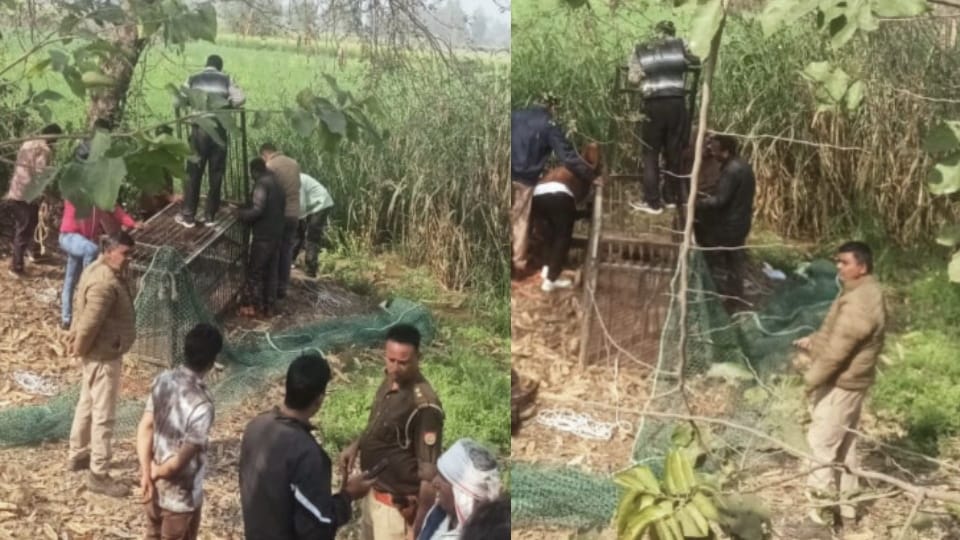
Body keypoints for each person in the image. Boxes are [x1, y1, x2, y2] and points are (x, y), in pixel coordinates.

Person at [792, 242, 885, 529]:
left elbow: (838, 352)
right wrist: (814, 342)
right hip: (850, 382)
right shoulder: (860, 292)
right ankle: (847, 513)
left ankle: (818, 518)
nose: (839, 267)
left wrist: (809, 381)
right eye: (838, 262)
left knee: (821, 446)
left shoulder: (860, 302)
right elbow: (837, 335)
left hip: (842, 385)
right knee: (845, 448)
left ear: (862, 267)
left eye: (844, 262)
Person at [239, 352, 377, 540]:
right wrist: (348, 495)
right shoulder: (307, 455)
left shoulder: (256, 427)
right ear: (319, 399)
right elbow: (317, 527)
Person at [338, 324, 444, 540]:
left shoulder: (425, 407)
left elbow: (428, 478)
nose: (394, 368)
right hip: (372, 496)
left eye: (403, 363)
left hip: (395, 511)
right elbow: (380, 423)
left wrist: (419, 529)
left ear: (418, 358)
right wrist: (357, 444)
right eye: (390, 359)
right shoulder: (390, 380)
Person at [66, 231, 137, 497]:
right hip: (103, 356)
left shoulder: (96, 268)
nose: (129, 259)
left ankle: (78, 453)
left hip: (98, 353)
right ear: (109, 251)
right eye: (125, 254)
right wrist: (80, 347)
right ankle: (99, 473)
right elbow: (89, 323)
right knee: (104, 415)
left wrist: (80, 347)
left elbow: (79, 311)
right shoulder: (105, 282)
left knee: (86, 403)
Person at [136, 323, 222, 540]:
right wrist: (156, 472)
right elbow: (180, 461)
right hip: (180, 499)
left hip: (153, 490)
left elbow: (145, 426)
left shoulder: (163, 380)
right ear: (212, 361)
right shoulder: (202, 406)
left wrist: (146, 472)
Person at [510, 95, 596, 276]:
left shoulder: (514, 115)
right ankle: (518, 266)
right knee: (520, 222)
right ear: (552, 107)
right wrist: (591, 175)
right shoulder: (549, 124)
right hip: (524, 179)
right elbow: (568, 157)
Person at [627, 20, 700, 215]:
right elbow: (694, 61)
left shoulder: (641, 48)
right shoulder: (680, 44)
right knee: (673, 152)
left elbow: (633, 79)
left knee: (650, 154)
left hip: (654, 104)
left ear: (655, 32)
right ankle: (669, 197)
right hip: (677, 103)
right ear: (672, 32)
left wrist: (648, 76)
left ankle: (652, 202)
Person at [175, 54, 246, 228]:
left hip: (200, 130)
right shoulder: (226, 79)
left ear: (206, 65)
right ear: (219, 67)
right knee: (216, 174)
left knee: (193, 173)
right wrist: (226, 105)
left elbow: (178, 99)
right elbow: (240, 98)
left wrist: (191, 104)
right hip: (219, 131)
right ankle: (210, 216)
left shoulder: (193, 78)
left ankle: (188, 215)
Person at [693, 134, 755, 310]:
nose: (713, 152)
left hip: (731, 224)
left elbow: (720, 200)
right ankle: (735, 298)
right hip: (741, 220)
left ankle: (725, 299)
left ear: (726, 152)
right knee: (734, 260)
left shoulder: (731, 170)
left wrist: (696, 204)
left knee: (720, 257)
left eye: (716, 149)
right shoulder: (742, 165)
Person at [58, 199, 139, 330]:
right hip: (69, 236)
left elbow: (115, 210)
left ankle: (66, 320)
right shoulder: (76, 192)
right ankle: (89, 279)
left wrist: (132, 223)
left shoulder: (101, 197)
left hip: (83, 242)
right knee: (92, 250)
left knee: (70, 281)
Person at [531, 142, 601, 292]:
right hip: (560, 194)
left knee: (549, 234)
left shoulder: (565, 166)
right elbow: (577, 198)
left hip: (538, 193)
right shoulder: (585, 171)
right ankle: (551, 281)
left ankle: (546, 269)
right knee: (563, 237)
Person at [5, 123, 62, 277]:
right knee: (25, 228)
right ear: (53, 136)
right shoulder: (44, 149)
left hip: (17, 190)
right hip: (28, 194)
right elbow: (40, 173)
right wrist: (45, 193)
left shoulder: (28, 143)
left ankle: (33, 252)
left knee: (30, 224)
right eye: (56, 139)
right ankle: (16, 266)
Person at [416, 439, 502, 540]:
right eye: (438, 473)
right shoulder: (437, 515)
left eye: (443, 478)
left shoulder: (486, 535)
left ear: (462, 493)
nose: (434, 482)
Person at [237, 158, 285, 318]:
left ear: (254, 171)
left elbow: (258, 209)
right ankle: (269, 307)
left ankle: (251, 306)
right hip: (277, 233)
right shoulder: (277, 182)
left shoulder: (262, 184)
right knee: (271, 271)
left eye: (252, 174)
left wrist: (240, 214)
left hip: (264, 236)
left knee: (255, 271)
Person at [259, 143, 301, 299]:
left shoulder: (270, 166)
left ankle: (271, 290)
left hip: (280, 215)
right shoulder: (294, 163)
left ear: (264, 154)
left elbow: (269, 189)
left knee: (275, 252)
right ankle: (282, 288)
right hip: (294, 214)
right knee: (287, 251)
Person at [291, 172, 334, 278]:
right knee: (298, 232)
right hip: (312, 205)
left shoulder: (296, 181)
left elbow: (300, 206)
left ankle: (311, 269)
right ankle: (290, 260)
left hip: (321, 204)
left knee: (312, 236)